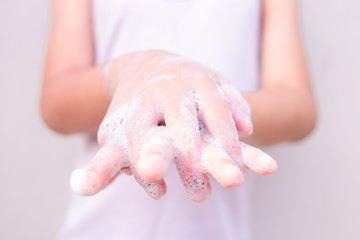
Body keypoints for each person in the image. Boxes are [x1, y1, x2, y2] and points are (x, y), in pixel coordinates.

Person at [40, 0, 317, 239]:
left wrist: (208, 107)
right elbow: (56, 102)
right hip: (98, 230)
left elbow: (297, 105)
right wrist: (131, 73)